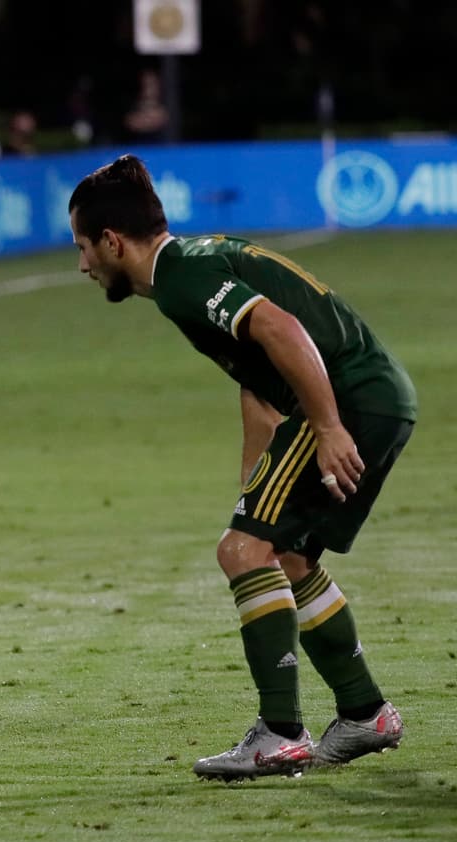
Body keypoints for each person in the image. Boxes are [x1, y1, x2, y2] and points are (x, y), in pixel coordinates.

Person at [68, 154, 415, 781]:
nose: (82, 265)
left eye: (83, 247)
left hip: (346, 400)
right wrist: (256, 479)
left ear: (112, 241)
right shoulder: (191, 262)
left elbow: (280, 329)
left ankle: (281, 734)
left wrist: (328, 426)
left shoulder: (181, 277)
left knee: (242, 552)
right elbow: (257, 377)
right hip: (374, 396)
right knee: (284, 554)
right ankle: (365, 713)